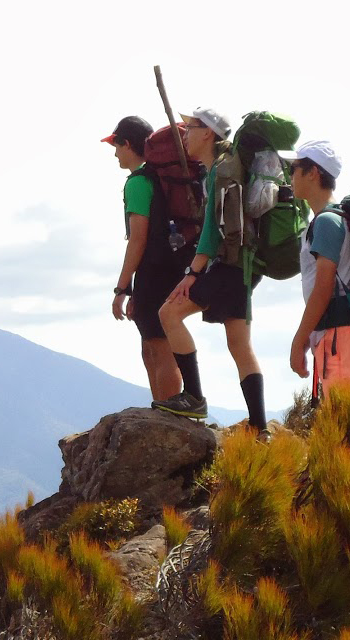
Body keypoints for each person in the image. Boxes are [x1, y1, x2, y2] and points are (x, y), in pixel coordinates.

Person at [153, 106, 271, 436]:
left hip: (229, 266)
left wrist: (192, 273)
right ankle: (260, 429)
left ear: (207, 133)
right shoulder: (225, 169)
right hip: (246, 267)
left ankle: (193, 397)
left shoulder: (219, 172)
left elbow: (210, 232)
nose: (184, 134)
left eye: (189, 128)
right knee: (239, 344)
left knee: (168, 314)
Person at [102, 115, 195, 401]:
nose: (116, 153)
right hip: (170, 267)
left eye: (116, 146)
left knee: (159, 346)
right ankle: (164, 410)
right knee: (151, 345)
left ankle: (171, 415)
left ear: (127, 144)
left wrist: (121, 288)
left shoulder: (138, 183)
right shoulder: (158, 178)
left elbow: (138, 238)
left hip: (155, 271)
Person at [286, 140, 350, 400]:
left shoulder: (327, 222)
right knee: (348, 430)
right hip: (341, 339)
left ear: (313, 172)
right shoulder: (331, 219)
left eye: (294, 168)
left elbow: (324, 286)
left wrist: (299, 339)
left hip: (342, 340)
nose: (289, 176)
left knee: (348, 432)